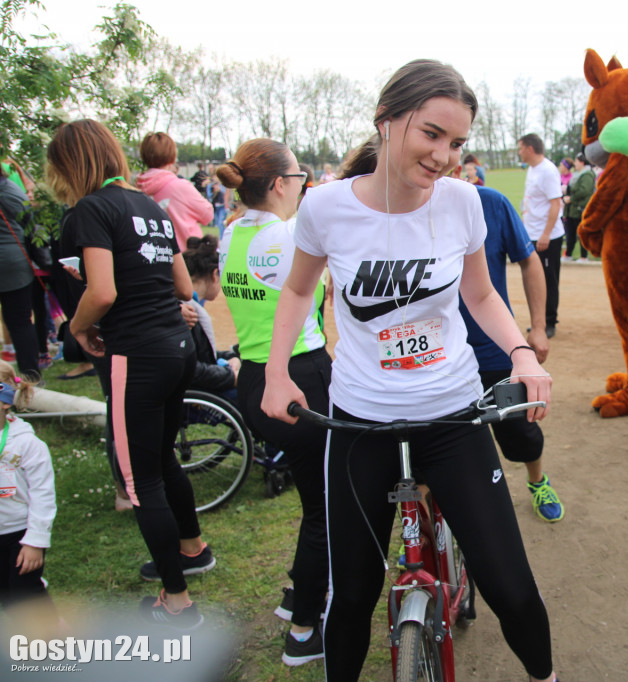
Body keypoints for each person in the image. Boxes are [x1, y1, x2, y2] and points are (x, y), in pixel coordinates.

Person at [260, 59, 557, 682]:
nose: (445, 156)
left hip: (452, 416)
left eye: (457, 143)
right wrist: (276, 371)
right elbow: (295, 292)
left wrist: (523, 352)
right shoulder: (327, 209)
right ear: (387, 122)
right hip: (361, 423)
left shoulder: (464, 204)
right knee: (353, 597)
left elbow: (480, 295)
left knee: (512, 587)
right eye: (431, 135)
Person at [48, 119, 211, 629]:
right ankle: (193, 549)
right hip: (176, 347)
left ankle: (177, 602)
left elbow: (101, 293)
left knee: (141, 481)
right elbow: (183, 286)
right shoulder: (150, 206)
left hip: (136, 356)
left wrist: (77, 330)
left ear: (71, 166)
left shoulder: (90, 211)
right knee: (162, 460)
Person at [215, 139, 330, 666]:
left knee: (315, 498)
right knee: (324, 508)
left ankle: (297, 595)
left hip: (255, 379)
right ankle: (305, 629)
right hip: (300, 375)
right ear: (281, 184)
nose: (305, 183)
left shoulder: (231, 231)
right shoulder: (289, 234)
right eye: (300, 175)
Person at [457, 174, 564, 522]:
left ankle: (538, 481)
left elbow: (529, 260)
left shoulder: (491, 203)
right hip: (438, 361)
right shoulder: (401, 208)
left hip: (495, 352)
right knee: (435, 445)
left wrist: (537, 327)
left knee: (521, 430)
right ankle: (426, 522)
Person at [0, 362, 57, 618]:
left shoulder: (28, 444)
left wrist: (35, 541)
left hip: (19, 535)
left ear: (4, 402)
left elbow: (43, 496)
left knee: (24, 596)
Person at [518, 133, 564, 339]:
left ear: (529, 149)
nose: (519, 152)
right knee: (536, 278)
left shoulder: (547, 170)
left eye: (520, 148)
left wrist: (546, 234)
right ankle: (540, 321)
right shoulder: (533, 169)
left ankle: (550, 320)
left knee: (548, 279)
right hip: (532, 233)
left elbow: (556, 203)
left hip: (548, 236)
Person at [181, 236, 240, 397]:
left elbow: (205, 355)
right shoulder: (189, 313)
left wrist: (232, 358)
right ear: (215, 274)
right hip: (201, 390)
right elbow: (193, 368)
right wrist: (231, 376)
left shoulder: (182, 305)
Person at [136, 132, 214, 251]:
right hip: (185, 255)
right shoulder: (180, 187)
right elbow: (208, 215)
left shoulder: (137, 189)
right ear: (172, 155)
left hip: (152, 254)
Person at [0, 174, 40, 380]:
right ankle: (31, 376)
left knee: (19, 321)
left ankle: (30, 375)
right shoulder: (13, 191)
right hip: (15, 264)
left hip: (12, 264)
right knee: (21, 321)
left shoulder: (10, 192)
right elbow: (31, 227)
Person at [562, 153, 595, 263]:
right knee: (570, 233)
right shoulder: (577, 174)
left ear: (581, 162)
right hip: (572, 210)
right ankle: (569, 254)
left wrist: (571, 198)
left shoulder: (587, 175)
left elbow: (584, 191)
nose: (574, 163)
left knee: (581, 233)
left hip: (581, 209)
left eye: (576, 161)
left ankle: (583, 256)